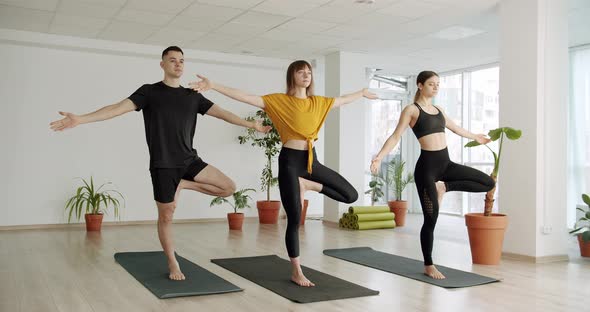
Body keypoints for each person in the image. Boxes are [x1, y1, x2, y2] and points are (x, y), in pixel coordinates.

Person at [49, 46, 270, 281]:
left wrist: (252, 126)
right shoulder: (149, 92)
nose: (178, 64)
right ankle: (173, 262)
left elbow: (223, 113)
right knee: (166, 217)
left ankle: (183, 185)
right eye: (173, 60)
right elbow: (115, 109)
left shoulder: (192, 95)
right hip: (163, 165)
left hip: (189, 160)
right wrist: (80, 119)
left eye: (182, 61)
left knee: (228, 187)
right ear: (162, 64)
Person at [190, 60, 378, 287]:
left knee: (350, 195)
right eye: (302, 72)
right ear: (293, 76)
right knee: (294, 218)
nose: (307, 76)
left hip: (311, 161)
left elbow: (343, 100)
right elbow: (245, 96)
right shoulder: (279, 101)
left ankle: (308, 185)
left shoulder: (319, 102)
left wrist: (362, 92)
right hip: (290, 162)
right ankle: (296, 270)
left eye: (309, 72)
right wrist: (214, 85)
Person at [370, 70, 495, 280]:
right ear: (420, 85)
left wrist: (476, 137)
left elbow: (456, 129)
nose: (436, 87)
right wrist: (379, 157)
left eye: (438, 84)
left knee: (487, 182)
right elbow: (395, 136)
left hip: (446, 164)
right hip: (427, 169)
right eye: (431, 84)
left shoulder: (439, 110)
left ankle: (444, 187)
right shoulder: (412, 110)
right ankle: (428, 264)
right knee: (431, 218)